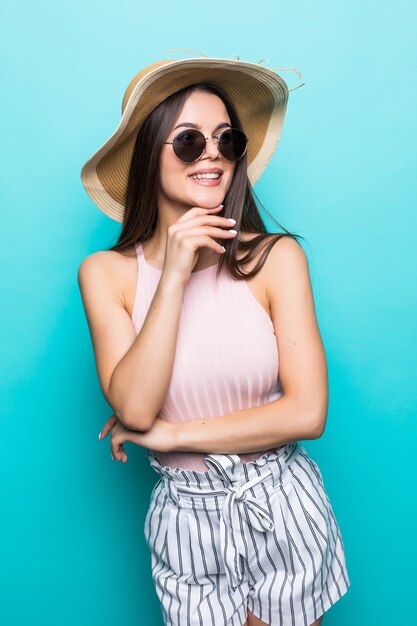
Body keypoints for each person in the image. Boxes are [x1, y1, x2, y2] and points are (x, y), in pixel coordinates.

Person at [78, 56, 350, 626]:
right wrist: (173, 273)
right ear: (148, 155)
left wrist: (173, 434)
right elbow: (132, 406)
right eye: (188, 142)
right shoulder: (106, 274)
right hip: (184, 519)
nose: (213, 155)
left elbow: (308, 413)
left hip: (276, 504)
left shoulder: (275, 259)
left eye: (227, 140)